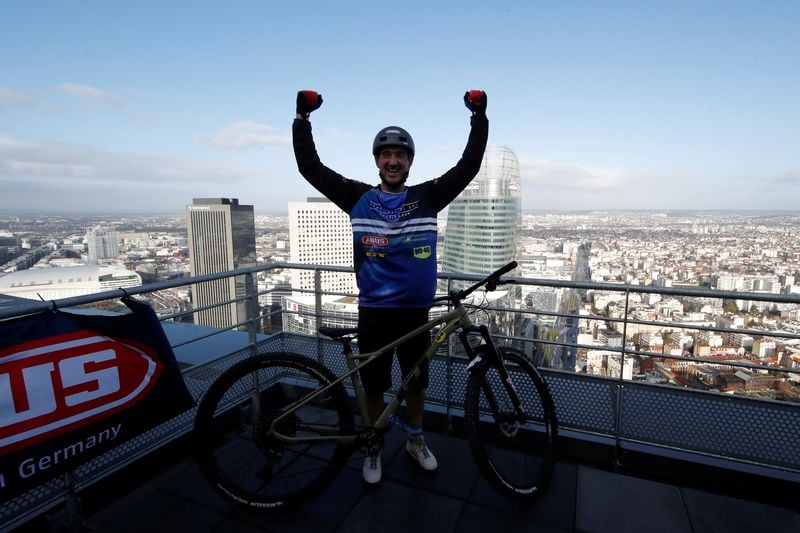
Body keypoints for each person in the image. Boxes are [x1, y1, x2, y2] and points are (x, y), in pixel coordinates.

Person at [292, 89, 488, 485]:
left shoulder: (428, 196)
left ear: (409, 162)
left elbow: (468, 166)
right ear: (377, 161)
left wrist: (479, 117)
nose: (393, 160)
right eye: (386, 154)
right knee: (375, 387)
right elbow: (310, 167)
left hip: (415, 314)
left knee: (416, 385)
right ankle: (374, 445)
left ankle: (416, 441)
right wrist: (302, 120)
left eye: (400, 155)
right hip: (374, 313)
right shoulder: (357, 198)